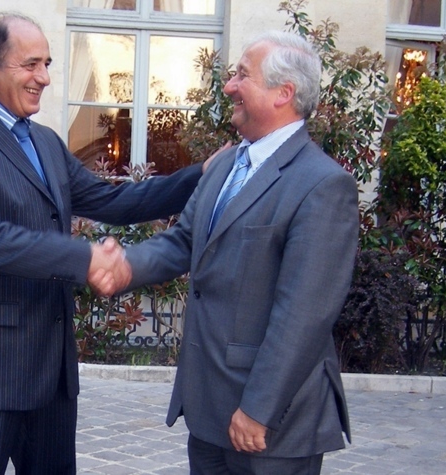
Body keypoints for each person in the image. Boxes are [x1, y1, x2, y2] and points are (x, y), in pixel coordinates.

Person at [0, 11, 217, 475]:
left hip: (52, 376)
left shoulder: (46, 142)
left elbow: (115, 201)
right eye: (31, 64)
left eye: (48, 64)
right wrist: (86, 257)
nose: (44, 78)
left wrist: (200, 175)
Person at [98, 31, 359, 474]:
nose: (229, 86)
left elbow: (304, 314)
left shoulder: (322, 184)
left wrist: (260, 409)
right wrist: (124, 267)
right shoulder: (225, 163)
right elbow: (185, 242)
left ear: (284, 93)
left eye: (242, 75)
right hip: (208, 409)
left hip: (271, 425)